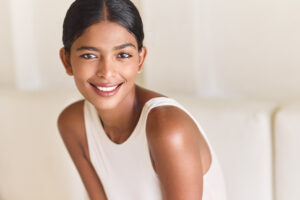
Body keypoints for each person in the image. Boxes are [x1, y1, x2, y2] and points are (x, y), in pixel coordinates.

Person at [57, 0, 226, 199]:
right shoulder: (73, 124)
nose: (107, 72)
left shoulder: (167, 128)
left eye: (123, 54)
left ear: (140, 59)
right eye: (89, 55)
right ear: (67, 61)